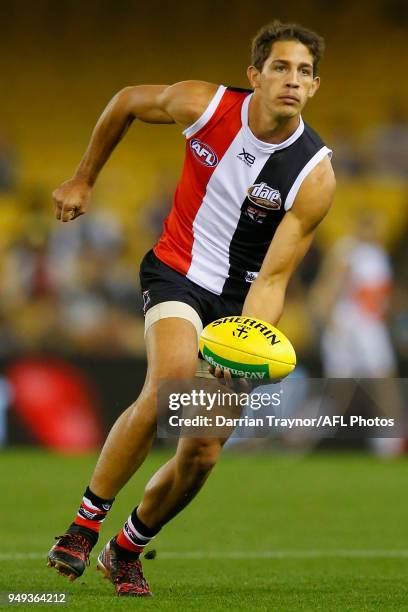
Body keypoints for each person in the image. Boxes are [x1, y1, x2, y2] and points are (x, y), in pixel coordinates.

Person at [47, 20, 335, 597]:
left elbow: (274, 276)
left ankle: (125, 548)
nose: (291, 80)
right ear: (255, 74)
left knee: (201, 451)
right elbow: (126, 101)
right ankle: (84, 524)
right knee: (170, 387)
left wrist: (245, 338)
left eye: (304, 72)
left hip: (240, 301)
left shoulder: (314, 174)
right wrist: (84, 178)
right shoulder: (205, 105)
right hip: (176, 270)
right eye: (280, 67)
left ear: (314, 86)